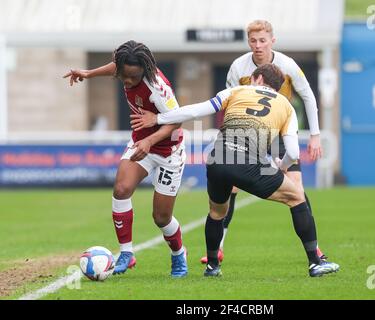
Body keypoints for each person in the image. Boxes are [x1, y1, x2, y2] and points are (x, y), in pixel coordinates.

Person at [130, 64, 339, 277]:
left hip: (217, 159)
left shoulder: (236, 91)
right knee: (297, 197)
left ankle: (212, 266)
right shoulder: (286, 106)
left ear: (256, 78)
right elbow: (293, 152)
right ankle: (315, 262)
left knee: (217, 212)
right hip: (248, 163)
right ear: (276, 88)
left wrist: (158, 119)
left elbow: (195, 111)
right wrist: (282, 167)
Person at [199, 20, 326, 264]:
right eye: (253, 41)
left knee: (296, 188)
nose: (258, 46)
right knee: (232, 185)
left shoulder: (287, 65)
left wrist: (315, 135)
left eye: (262, 40)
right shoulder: (238, 67)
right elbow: (229, 103)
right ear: (249, 42)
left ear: (272, 41)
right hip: (249, 133)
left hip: (280, 130)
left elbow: (308, 96)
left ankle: (315, 249)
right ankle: (220, 245)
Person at [63, 40, 188, 277]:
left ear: (144, 70)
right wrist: (88, 74)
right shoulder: (124, 68)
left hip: (168, 152)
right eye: (124, 76)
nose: (128, 81)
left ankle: (179, 254)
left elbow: (178, 120)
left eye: (133, 77)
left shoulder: (157, 88)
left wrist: (151, 139)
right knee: (121, 189)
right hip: (140, 143)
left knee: (161, 217)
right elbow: (115, 67)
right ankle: (127, 253)